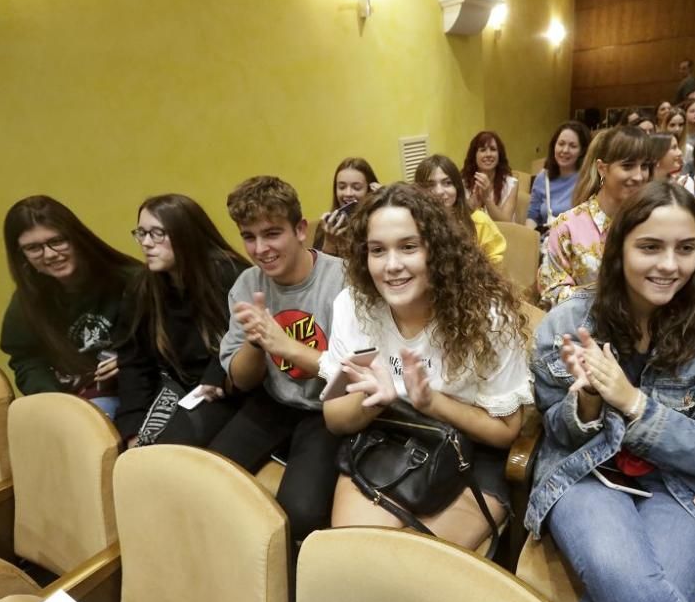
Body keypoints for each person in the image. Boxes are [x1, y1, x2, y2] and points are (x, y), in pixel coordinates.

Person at [527, 181, 695, 602]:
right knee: (623, 574)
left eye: (686, 249)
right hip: (586, 474)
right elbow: (554, 428)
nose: (669, 265)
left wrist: (635, 404)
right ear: (618, 251)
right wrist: (590, 401)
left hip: (685, 488)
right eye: (650, 247)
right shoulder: (569, 323)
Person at [322, 183, 532, 549]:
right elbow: (335, 417)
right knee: (354, 559)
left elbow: (506, 431)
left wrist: (432, 402)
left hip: (474, 454)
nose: (391, 266)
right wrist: (374, 400)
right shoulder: (355, 307)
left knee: (411, 575)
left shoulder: (487, 317)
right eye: (377, 250)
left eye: (408, 247)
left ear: (436, 250)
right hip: (389, 439)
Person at [218, 175, 346, 544]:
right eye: (249, 236)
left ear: (301, 229)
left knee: (301, 512)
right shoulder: (246, 285)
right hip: (274, 400)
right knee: (213, 480)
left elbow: (351, 375)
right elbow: (242, 381)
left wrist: (282, 342)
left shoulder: (343, 282)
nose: (260, 248)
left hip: (326, 409)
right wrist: (257, 342)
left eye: (272, 233)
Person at [114, 194, 249, 447]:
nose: (146, 243)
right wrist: (132, 426)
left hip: (226, 389)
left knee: (171, 453)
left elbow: (241, 340)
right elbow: (134, 362)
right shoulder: (143, 286)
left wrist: (215, 375)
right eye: (141, 233)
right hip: (177, 384)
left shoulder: (230, 274)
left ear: (185, 234)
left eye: (156, 234)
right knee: (139, 449)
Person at [0, 195, 140, 417]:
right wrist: (55, 400)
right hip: (69, 399)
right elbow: (26, 360)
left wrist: (132, 360)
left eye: (56, 241)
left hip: (132, 390)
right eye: (33, 248)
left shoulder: (130, 280)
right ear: (22, 255)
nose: (50, 254)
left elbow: (165, 342)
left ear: (76, 238)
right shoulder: (25, 301)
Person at [538, 127, 649, 309]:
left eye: (644, 166)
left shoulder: (652, 222)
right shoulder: (568, 226)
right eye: (628, 166)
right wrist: (609, 296)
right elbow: (552, 293)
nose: (639, 176)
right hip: (581, 330)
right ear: (602, 169)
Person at [414, 154, 507, 264]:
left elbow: (496, 264)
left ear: (457, 187)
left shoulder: (478, 221)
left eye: (447, 183)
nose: (439, 192)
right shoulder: (415, 225)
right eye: (430, 185)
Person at [528, 121, 592, 231]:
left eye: (573, 146)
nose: (565, 150)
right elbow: (532, 217)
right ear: (554, 146)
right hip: (545, 243)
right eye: (561, 144)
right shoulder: (542, 178)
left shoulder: (588, 179)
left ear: (582, 151)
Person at [316, 158, 380, 256]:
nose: (348, 193)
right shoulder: (327, 226)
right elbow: (319, 269)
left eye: (356, 187)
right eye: (342, 187)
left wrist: (384, 201)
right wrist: (329, 244)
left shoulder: (379, 223)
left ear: (369, 190)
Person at [462, 130, 518, 223]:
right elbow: (460, 220)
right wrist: (474, 202)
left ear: (499, 155)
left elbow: (506, 222)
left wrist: (487, 198)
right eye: (483, 150)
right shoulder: (462, 183)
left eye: (493, 149)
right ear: (474, 155)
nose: (488, 154)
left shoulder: (512, 184)